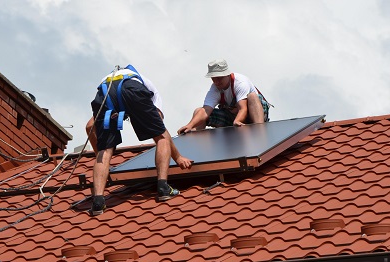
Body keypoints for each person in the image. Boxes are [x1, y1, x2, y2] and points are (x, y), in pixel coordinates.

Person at [89, 65, 192, 215]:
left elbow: (89, 126)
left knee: (104, 150)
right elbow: (161, 130)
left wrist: (102, 168)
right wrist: (178, 157)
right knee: (161, 137)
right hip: (131, 90)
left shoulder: (110, 79)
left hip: (104, 94)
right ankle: (163, 187)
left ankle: (98, 202)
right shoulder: (151, 90)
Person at [177, 59, 270, 135]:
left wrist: (238, 120)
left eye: (219, 78)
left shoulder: (240, 83)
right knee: (198, 111)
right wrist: (189, 125)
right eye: (213, 78)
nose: (217, 81)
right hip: (233, 119)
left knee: (252, 97)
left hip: (253, 115)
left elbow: (243, 108)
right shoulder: (215, 89)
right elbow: (205, 111)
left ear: (227, 74)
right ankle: (194, 138)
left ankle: (260, 132)